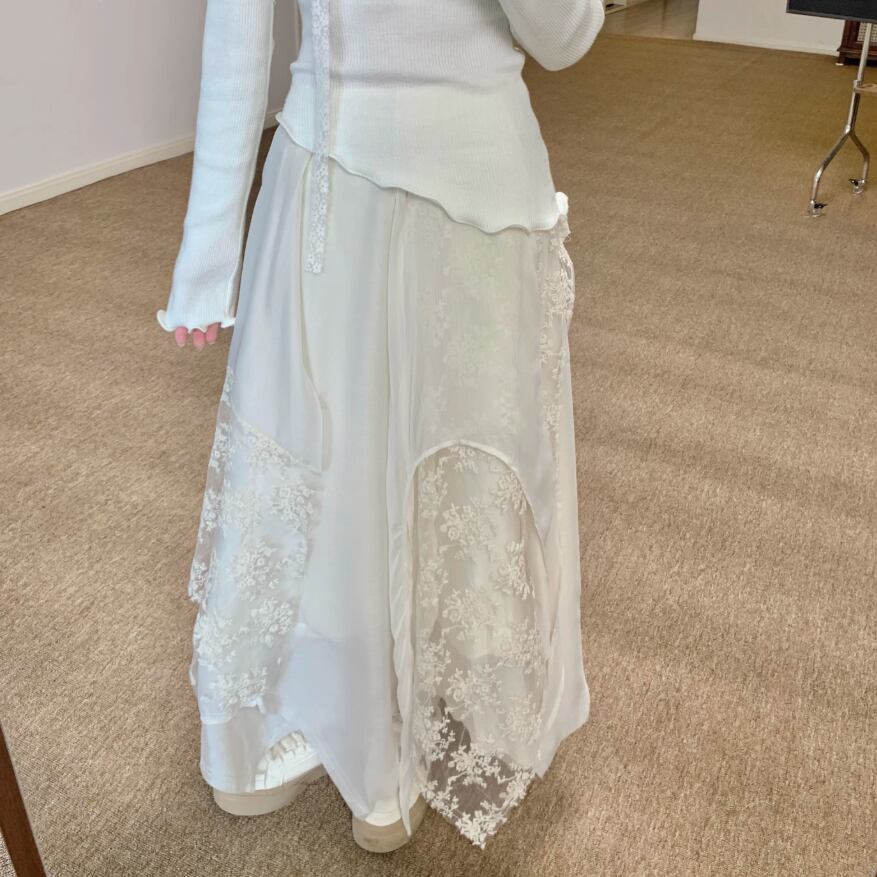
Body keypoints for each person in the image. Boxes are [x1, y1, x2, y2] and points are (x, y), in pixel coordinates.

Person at [157, 0, 604, 853]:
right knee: (321, 459)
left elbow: (564, 37)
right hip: (339, 181)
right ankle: (316, 726)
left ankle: (387, 734)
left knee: (437, 467)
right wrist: (207, 252)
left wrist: (209, 250)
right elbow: (238, 23)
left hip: (453, 195)